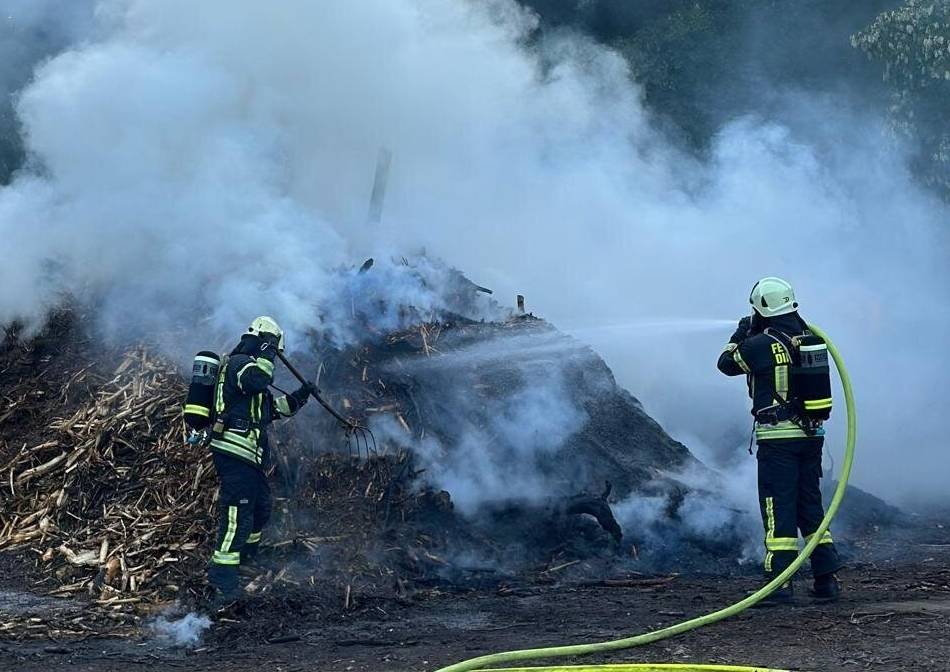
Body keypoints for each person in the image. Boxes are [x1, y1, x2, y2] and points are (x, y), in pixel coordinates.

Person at [717, 277, 842, 603]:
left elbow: (726, 364)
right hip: (812, 436)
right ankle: (826, 580)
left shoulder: (758, 344)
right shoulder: (809, 338)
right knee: (810, 506)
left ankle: (779, 585)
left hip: (779, 440)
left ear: (760, 309)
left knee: (778, 509)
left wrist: (741, 333)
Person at [206, 316, 315, 604]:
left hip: (250, 457)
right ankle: (223, 574)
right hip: (233, 450)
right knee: (236, 514)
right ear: (265, 342)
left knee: (261, 508)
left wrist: (302, 396)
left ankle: (245, 556)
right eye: (273, 349)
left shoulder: (252, 379)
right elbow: (258, 380)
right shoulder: (240, 363)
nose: (274, 357)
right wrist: (267, 353)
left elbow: (273, 409)